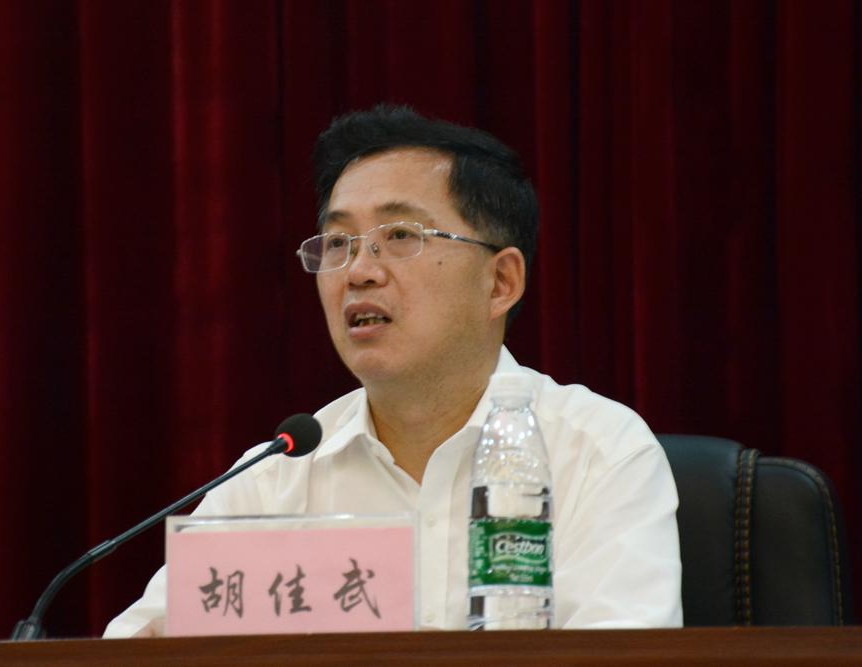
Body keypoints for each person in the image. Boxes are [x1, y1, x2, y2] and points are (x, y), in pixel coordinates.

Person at [104, 105, 682, 637]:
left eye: (401, 236)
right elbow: (136, 649)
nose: (358, 271)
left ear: (500, 282)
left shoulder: (598, 454)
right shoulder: (273, 479)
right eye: (338, 243)